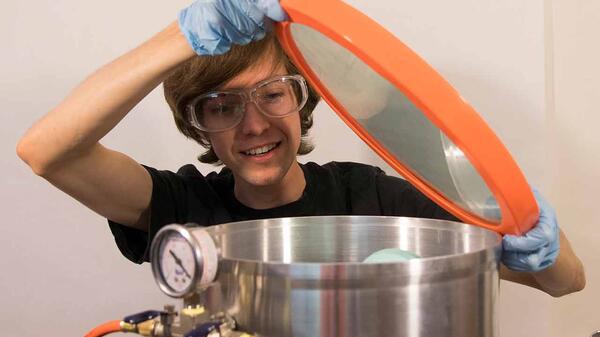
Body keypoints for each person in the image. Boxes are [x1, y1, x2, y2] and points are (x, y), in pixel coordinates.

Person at [17, 0, 584, 297]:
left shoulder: (370, 199)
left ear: (302, 101)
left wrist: (535, 242)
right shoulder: (181, 207)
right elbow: (47, 152)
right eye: (222, 106)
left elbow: (565, 284)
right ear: (200, 126)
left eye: (271, 95)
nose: (254, 125)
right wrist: (184, 37)